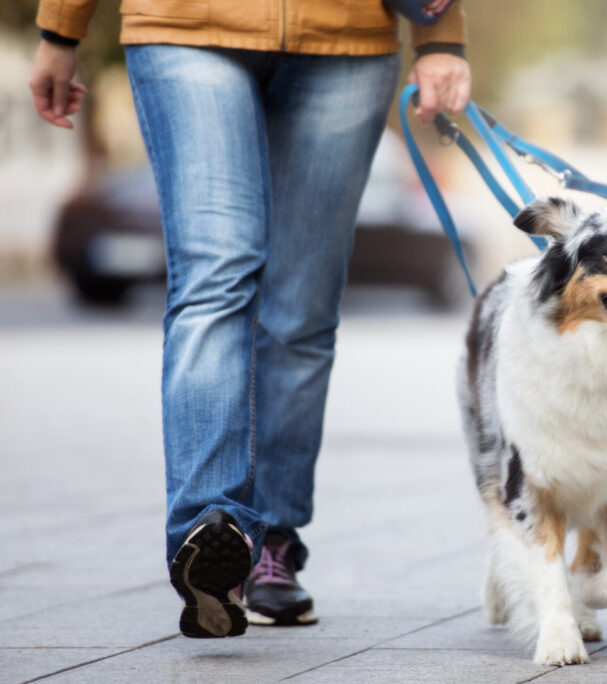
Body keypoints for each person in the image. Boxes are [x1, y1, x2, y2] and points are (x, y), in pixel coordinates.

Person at [29, 0, 470, 637]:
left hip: (346, 38)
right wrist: (60, 27)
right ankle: (210, 536)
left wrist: (442, 37)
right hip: (185, 25)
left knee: (303, 306)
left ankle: (272, 545)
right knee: (216, 275)